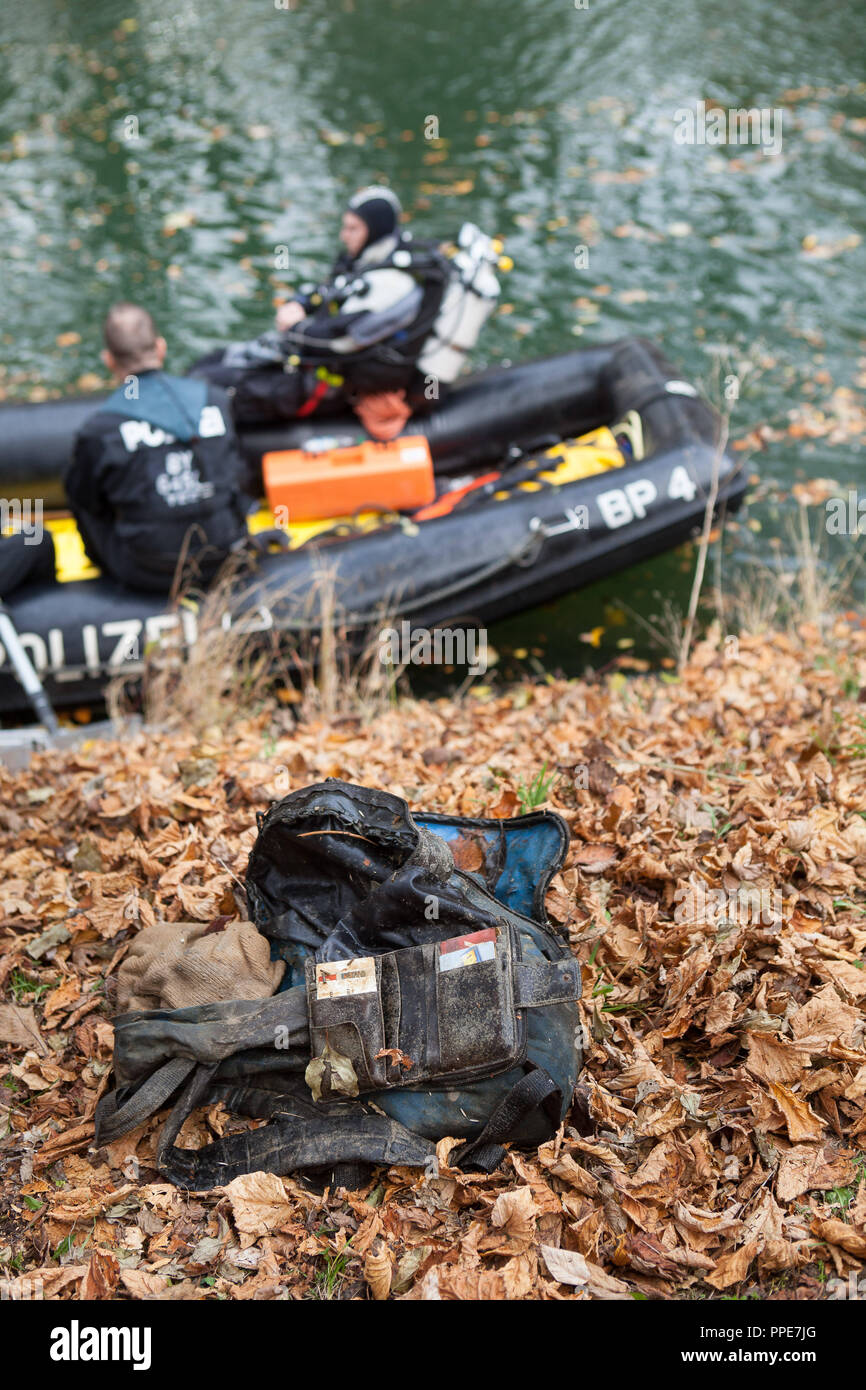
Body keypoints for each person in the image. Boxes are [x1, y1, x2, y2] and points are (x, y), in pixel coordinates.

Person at [191, 187, 453, 430]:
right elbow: (329, 288)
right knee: (208, 364)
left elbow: (342, 341)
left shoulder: (391, 284)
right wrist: (300, 304)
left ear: (375, 230)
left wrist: (295, 329)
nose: (344, 236)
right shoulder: (370, 259)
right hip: (309, 360)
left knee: (219, 387)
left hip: (332, 384)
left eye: (353, 229)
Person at [66, 304, 254, 594]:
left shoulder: (101, 429)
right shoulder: (215, 399)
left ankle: (101, 578)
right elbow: (238, 474)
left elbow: (84, 500)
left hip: (150, 571)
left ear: (109, 360)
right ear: (161, 347)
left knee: (83, 497)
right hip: (225, 556)